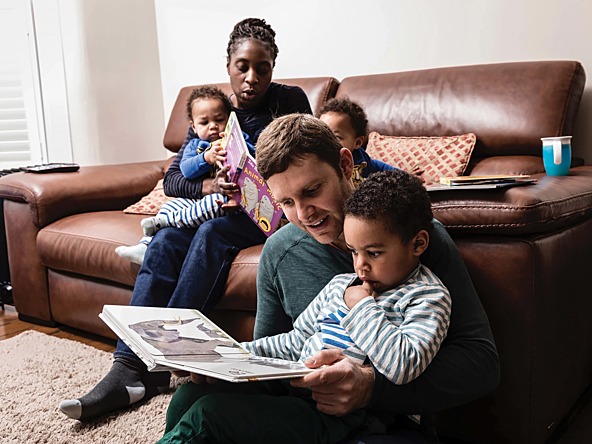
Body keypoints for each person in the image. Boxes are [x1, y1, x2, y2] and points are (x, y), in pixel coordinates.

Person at [158, 114, 499, 443]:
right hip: (307, 410)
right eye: (287, 202)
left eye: (312, 190)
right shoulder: (279, 252)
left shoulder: (411, 238)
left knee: (211, 417)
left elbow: (481, 364)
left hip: (382, 422)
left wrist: (369, 387)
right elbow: (278, 359)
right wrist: (225, 361)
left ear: (345, 165)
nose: (304, 215)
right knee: (191, 398)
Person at [59, 17, 312, 421]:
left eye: (261, 68)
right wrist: (209, 189)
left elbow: (309, 159)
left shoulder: (290, 100)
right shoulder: (213, 116)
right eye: (242, 67)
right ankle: (127, 367)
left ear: (273, 67)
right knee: (163, 242)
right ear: (228, 65)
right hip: (217, 207)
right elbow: (174, 179)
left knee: (211, 233)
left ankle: (161, 357)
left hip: (264, 214)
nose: (251, 78)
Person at [115, 85, 254, 265]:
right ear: (193, 127)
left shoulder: (237, 138)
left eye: (219, 119)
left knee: (214, 202)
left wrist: (236, 147)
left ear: (230, 120)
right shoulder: (195, 146)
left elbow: (251, 157)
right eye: (204, 123)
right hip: (195, 198)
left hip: (224, 201)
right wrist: (206, 157)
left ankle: (166, 223)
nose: (213, 126)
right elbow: (186, 170)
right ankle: (144, 246)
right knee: (171, 205)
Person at [318, 97, 395, 186]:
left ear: (358, 142)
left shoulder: (361, 158)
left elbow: (380, 167)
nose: (326, 141)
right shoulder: (319, 161)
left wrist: (405, 176)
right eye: (321, 134)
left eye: (336, 137)